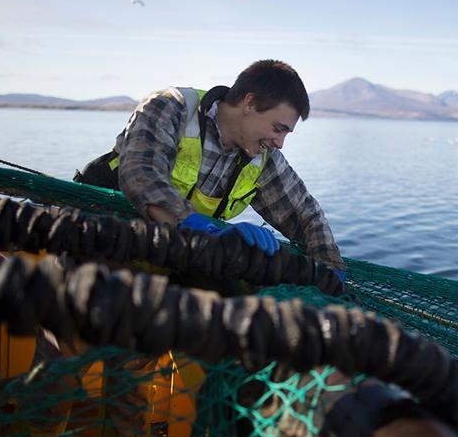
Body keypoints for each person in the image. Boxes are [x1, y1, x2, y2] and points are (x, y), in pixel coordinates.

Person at [74, 59, 346, 280]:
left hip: (172, 252)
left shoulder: (265, 156)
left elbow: (305, 214)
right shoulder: (171, 107)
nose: (280, 143)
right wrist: (204, 228)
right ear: (249, 103)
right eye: (278, 128)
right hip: (100, 235)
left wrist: (330, 268)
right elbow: (141, 174)